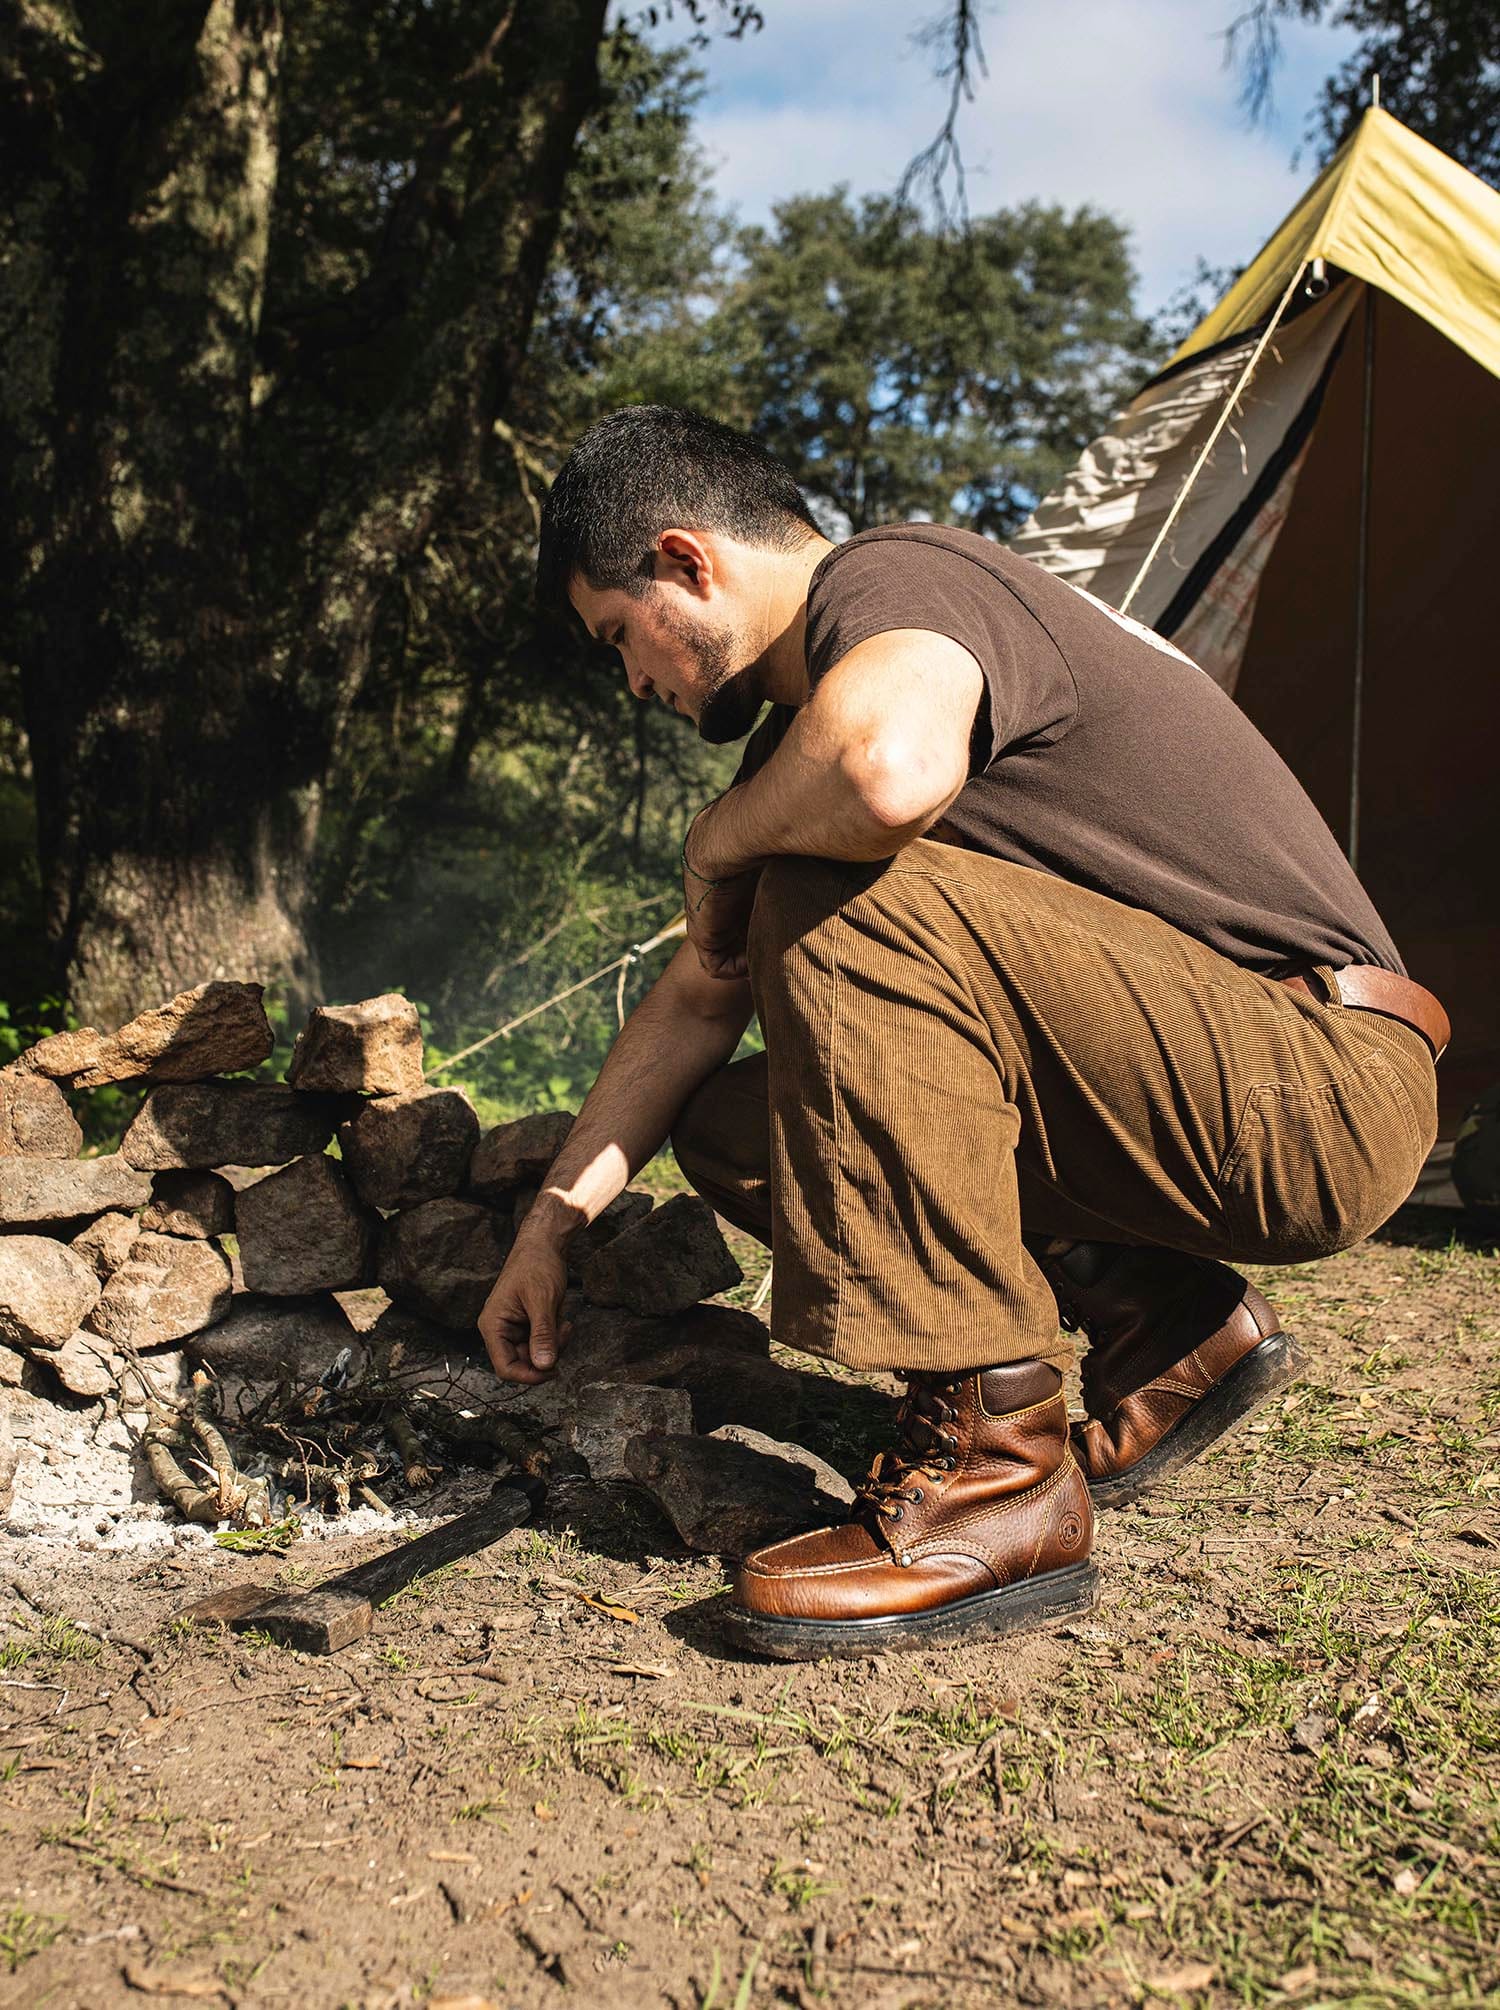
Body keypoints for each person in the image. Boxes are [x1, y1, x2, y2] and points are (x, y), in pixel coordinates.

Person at [477, 405, 1445, 1661]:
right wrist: (550, 1230)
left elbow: (884, 772)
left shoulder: (897, 580)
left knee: (823, 887)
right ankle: (1163, 1320)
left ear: (684, 561)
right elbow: (697, 1000)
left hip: (1317, 1082)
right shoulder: (797, 739)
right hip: (1210, 1084)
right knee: (739, 1122)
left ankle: (997, 1480)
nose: (635, 684)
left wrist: (717, 843)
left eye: (620, 635)